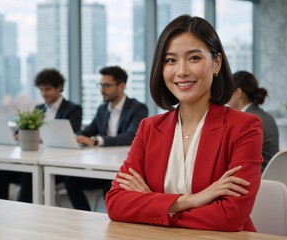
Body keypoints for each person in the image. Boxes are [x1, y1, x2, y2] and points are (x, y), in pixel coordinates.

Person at [105, 15, 263, 232]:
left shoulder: (244, 127)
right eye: (171, 60)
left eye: (194, 58)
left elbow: (229, 217)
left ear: (216, 63)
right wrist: (190, 200)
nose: (181, 71)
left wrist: (152, 202)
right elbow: (115, 204)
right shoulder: (149, 128)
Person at [64, 66, 148, 211]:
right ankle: (85, 217)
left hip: (123, 171)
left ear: (121, 86)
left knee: (109, 187)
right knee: (71, 181)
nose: (102, 90)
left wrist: (97, 141)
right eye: (101, 85)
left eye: (107, 85)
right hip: (102, 167)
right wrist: (72, 136)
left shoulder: (137, 108)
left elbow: (131, 136)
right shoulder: (102, 109)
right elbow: (88, 130)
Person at [0, 68, 82, 203]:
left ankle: (25, 217)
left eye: (47, 89)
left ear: (59, 87)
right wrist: (18, 134)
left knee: (29, 175)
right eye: (41, 90)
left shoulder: (73, 109)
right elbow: (25, 128)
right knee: (1, 175)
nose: (44, 94)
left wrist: (38, 136)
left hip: (58, 166)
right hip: (35, 161)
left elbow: (69, 133)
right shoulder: (39, 109)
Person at [227, 70, 279, 170]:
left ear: (238, 93)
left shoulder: (247, 121)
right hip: (272, 178)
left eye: (228, 91)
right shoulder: (267, 116)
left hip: (257, 179)